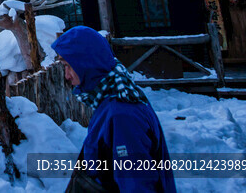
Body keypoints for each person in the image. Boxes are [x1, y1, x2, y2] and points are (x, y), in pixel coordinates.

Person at [52, 25, 176, 192]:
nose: (66, 75)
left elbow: (136, 184)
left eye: (69, 66)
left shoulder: (122, 114)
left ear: (86, 63)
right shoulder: (111, 101)